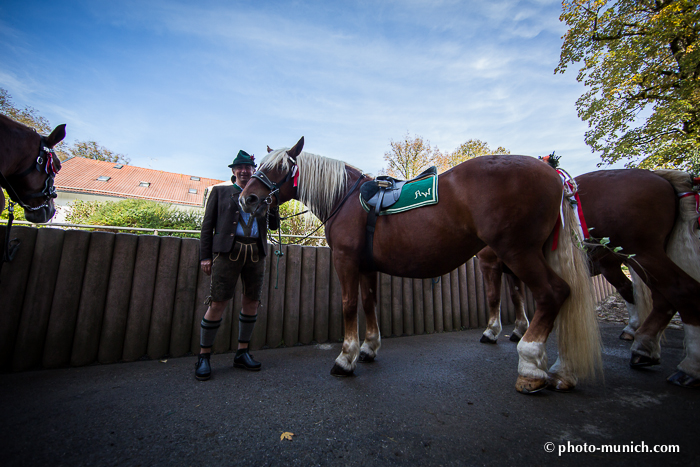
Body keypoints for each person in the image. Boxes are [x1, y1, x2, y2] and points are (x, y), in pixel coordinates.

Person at [196, 149, 280, 381]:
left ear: (253, 171)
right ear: (234, 171)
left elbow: (273, 227)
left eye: (248, 168)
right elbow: (207, 227)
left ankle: (242, 353)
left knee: (251, 302)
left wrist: (274, 205)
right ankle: (204, 357)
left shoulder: (264, 193)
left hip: (256, 252)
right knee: (218, 302)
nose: (244, 171)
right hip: (227, 253)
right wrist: (205, 256)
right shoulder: (220, 192)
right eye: (239, 168)